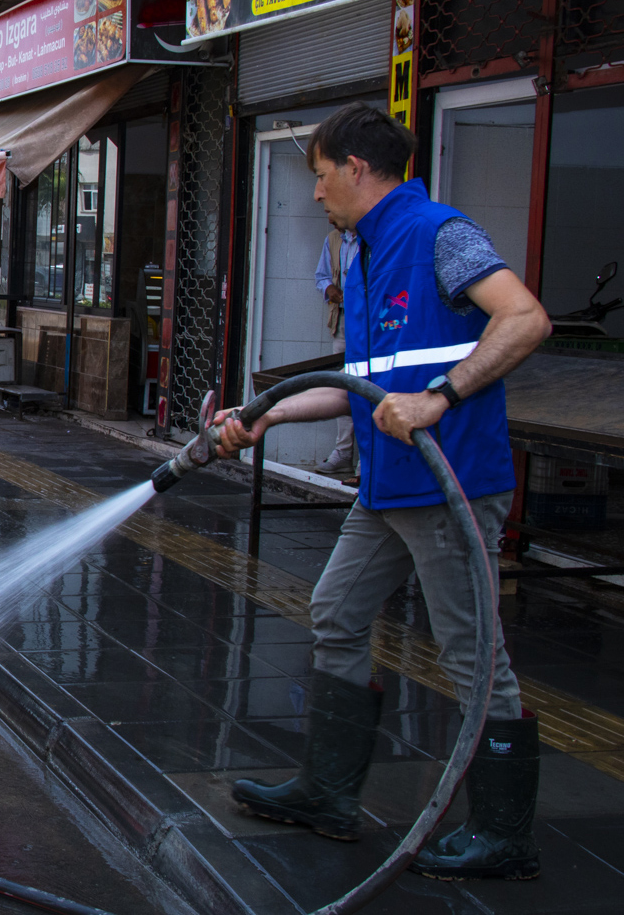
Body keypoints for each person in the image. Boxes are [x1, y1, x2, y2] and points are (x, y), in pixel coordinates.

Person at [211, 103, 550, 882]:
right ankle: (328, 793)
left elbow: (525, 319)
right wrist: (260, 415)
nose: (317, 193)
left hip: (449, 482)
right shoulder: (361, 251)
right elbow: (356, 388)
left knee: (470, 650)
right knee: (334, 611)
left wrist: (440, 395)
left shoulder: (439, 233)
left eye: (321, 176)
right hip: (388, 486)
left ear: (356, 169)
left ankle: (504, 832)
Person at [315, 226, 362, 477]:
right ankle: (343, 453)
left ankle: (366, 462)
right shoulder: (333, 238)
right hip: (343, 322)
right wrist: (328, 288)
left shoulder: (372, 236)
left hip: (368, 323)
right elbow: (321, 276)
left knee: (367, 387)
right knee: (341, 386)